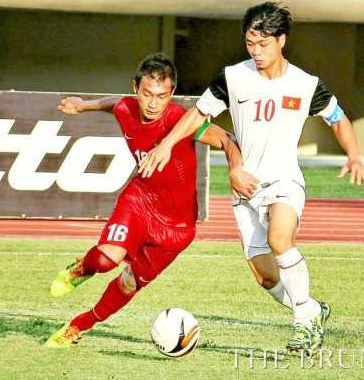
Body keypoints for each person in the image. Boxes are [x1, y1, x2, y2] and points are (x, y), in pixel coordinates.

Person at [138, 2, 364, 353]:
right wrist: (167, 144)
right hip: (246, 188)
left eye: (263, 43)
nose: (256, 51)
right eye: (250, 43)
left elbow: (337, 118)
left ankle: (303, 326)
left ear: (281, 40)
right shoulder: (233, 78)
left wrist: (353, 155)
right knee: (266, 278)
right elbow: (198, 114)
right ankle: (310, 308)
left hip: (285, 181)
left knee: (280, 239)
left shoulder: (305, 84)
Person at [45, 52, 255, 348]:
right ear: (135, 88)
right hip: (140, 201)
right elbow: (114, 104)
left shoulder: (180, 120)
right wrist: (83, 106)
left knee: (129, 283)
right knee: (105, 260)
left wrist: (235, 169)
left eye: (161, 96)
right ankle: (83, 268)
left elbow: (226, 139)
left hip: (177, 228)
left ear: (172, 92)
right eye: (147, 94)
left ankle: (80, 324)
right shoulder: (126, 108)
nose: (153, 103)